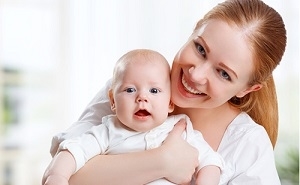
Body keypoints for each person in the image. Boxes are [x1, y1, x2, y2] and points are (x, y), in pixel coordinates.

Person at [44, 0, 287, 184]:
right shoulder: (130, 89)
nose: (196, 74)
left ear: (247, 89)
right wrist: (162, 162)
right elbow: (62, 172)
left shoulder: (247, 145)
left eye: (223, 74)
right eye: (200, 49)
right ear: (193, 31)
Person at [42, 49, 224, 185]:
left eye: (154, 90)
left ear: (170, 103)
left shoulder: (181, 129)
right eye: (130, 90)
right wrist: (57, 176)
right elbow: (74, 151)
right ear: (113, 101)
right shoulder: (108, 131)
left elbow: (211, 161)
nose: (142, 97)